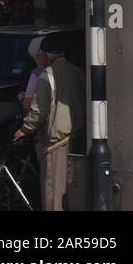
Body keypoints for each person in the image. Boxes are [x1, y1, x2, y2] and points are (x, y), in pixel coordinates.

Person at [14, 34, 86, 210]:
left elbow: (39, 112)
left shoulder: (47, 75)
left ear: (45, 55)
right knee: (74, 194)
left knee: (53, 196)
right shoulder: (78, 72)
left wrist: (23, 130)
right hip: (79, 139)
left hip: (56, 144)